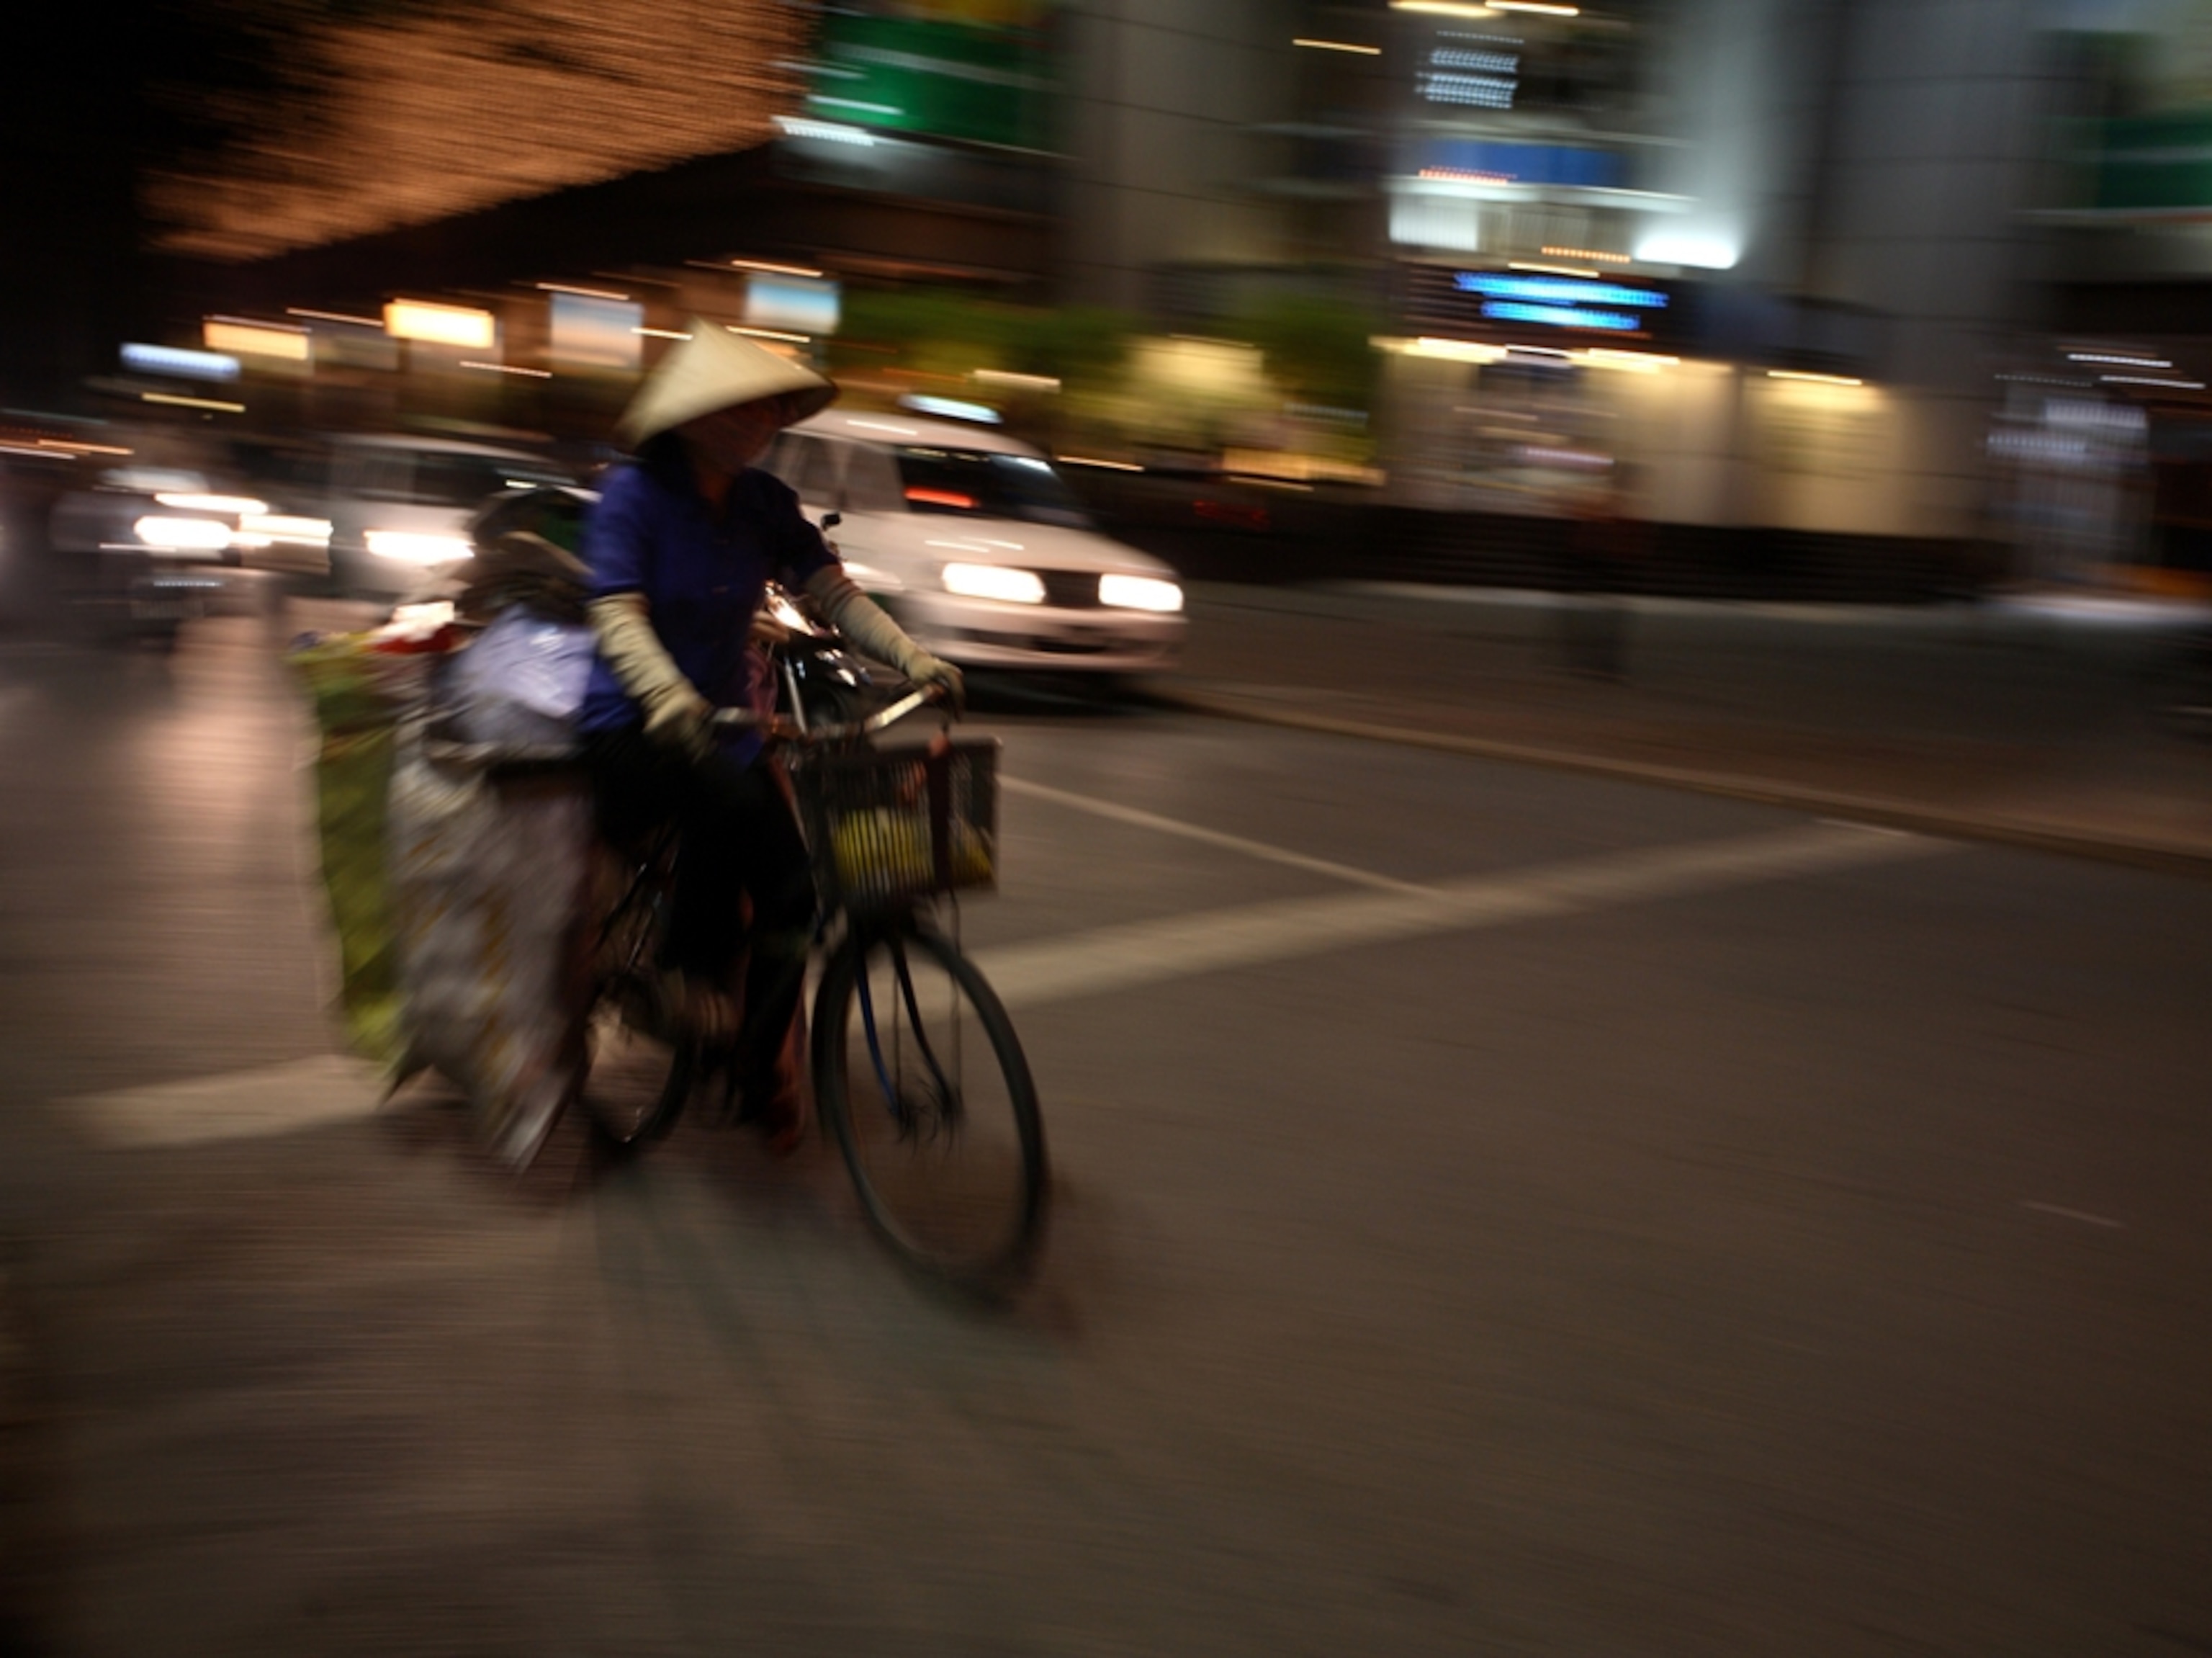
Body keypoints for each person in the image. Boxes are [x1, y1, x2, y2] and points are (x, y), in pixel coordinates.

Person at [576, 322, 963, 1151]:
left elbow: (831, 591)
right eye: (736, 407)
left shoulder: (762, 503)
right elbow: (616, 615)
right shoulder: (633, 497)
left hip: (724, 731)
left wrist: (913, 657)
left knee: (793, 886)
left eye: (766, 409)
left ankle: (757, 1057)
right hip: (632, 732)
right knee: (725, 806)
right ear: (691, 416)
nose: (755, 421)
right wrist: (668, 698)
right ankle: (685, 977)